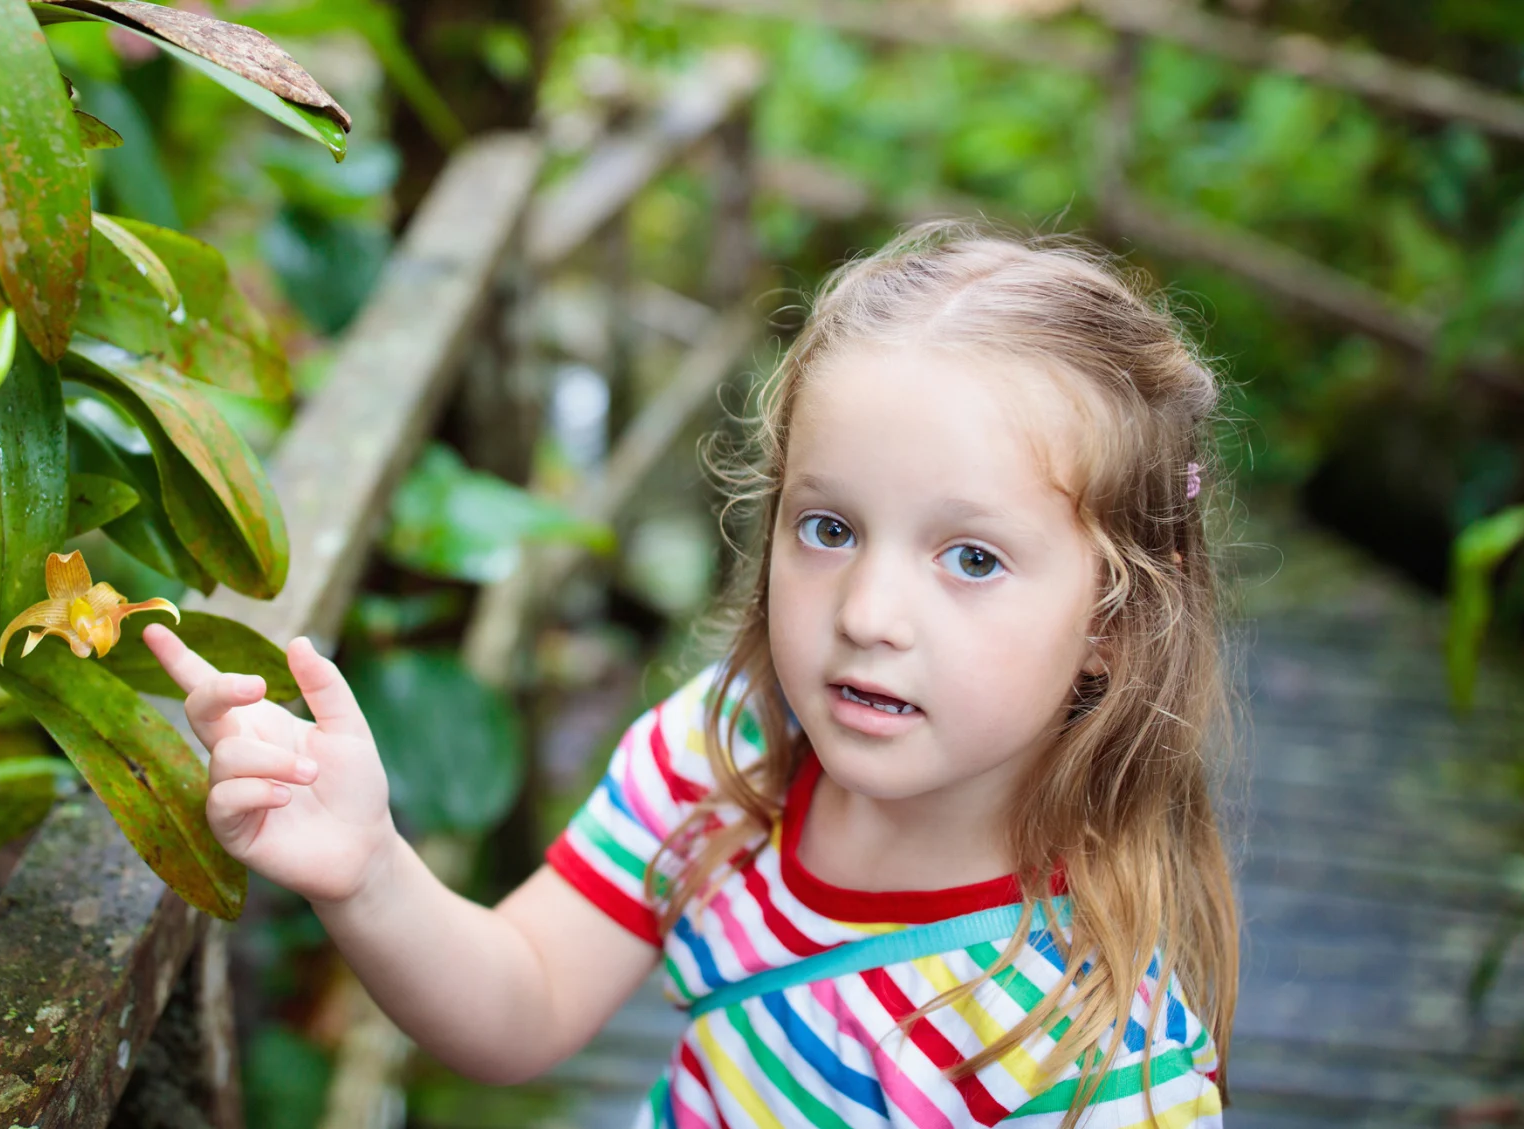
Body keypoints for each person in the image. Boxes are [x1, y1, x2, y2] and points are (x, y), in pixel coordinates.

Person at [143, 219, 1239, 1128]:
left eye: (972, 558)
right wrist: (369, 870)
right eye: (828, 527)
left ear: (1116, 615)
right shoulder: (724, 749)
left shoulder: (1098, 1067)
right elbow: (525, 998)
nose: (867, 612)